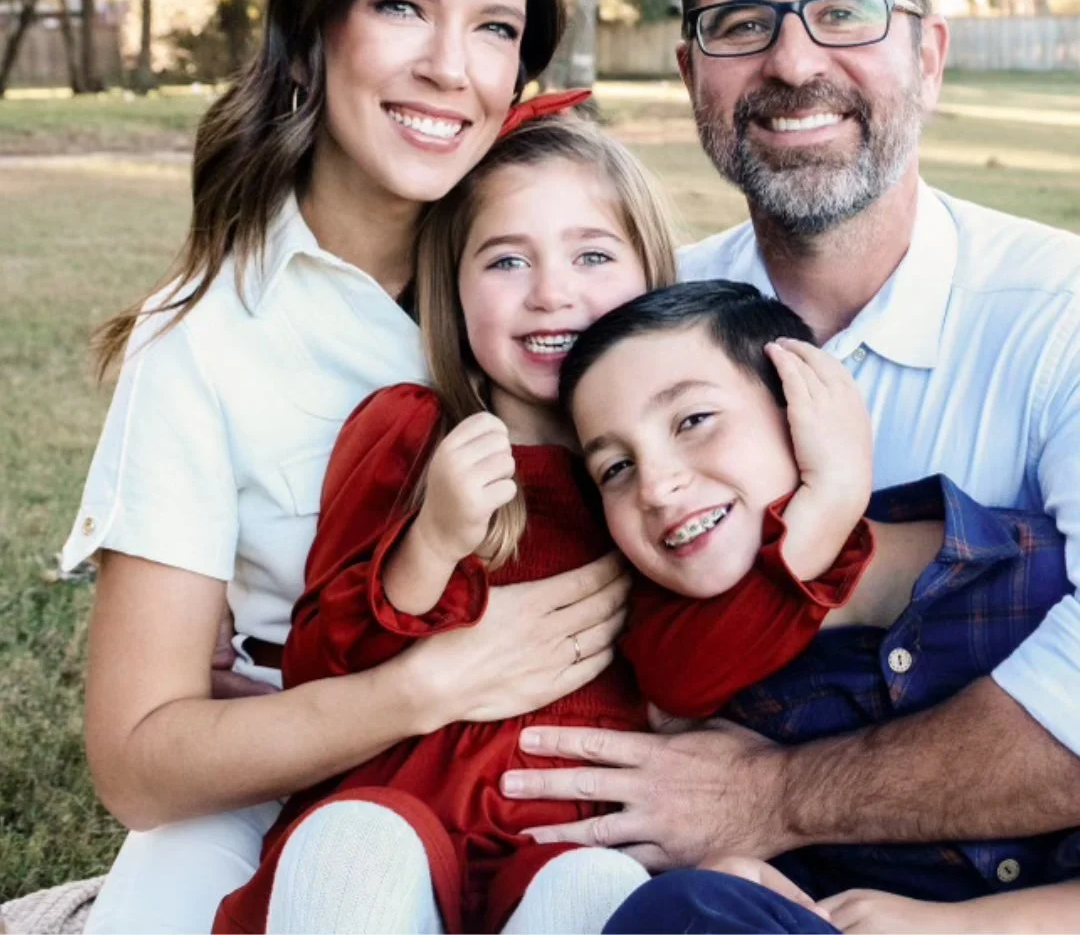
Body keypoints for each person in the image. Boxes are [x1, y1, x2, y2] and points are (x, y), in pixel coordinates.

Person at [499, 0, 1080, 925]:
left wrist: (771, 797)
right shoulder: (646, 330)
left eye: (844, 11)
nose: (793, 58)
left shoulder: (1060, 317)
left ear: (930, 55)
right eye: (742, 23)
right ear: (690, 74)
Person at [59, 0, 638, 932]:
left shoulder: (569, 286)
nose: (448, 69)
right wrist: (429, 686)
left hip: (557, 774)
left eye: (494, 29)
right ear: (314, 29)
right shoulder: (206, 339)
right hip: (292, 772)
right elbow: (140, 763)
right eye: (401, 7)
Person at [213, 117, 881, 934]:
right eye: (506, 261)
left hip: (560, 841)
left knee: (594, 887)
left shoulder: (661, 490)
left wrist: (828, 503)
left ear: (651, 276)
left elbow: (688, 672)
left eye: (593, 256)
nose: (552, 292)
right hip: (400, 813)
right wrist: (433, 543)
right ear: (451, 289)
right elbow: (319, 665)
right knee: (351, 842)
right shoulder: (412, 432)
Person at [557, 279, 1080, 932]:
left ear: (806, 410)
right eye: (616, 468)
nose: (658, 486)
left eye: (693, 421)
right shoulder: (706, 691)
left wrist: (968, 925)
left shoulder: (1037, 584)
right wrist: (738, 880)